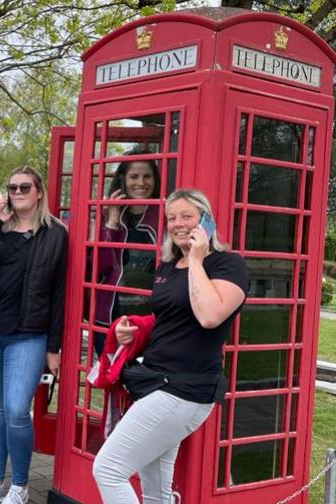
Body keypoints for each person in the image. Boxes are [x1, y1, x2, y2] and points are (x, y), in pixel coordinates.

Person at [91, 189, 248, 504]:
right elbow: (168, 319)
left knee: (107, 469)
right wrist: (133, 330)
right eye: (171, 217)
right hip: (156, 380)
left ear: (205, 220)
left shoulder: (227, 264)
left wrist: (196, 259)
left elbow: (209, 316)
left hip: (183, 389)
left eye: (187, 216)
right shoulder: (167, 265)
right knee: (156, 491)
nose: (178, 223)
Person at [0, 167, 68, 504]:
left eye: (25, 186)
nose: (18, 191)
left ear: (39, 191)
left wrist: (54, 346)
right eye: (12, 187)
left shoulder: (55, 234)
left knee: (16, 409)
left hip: (28, 334)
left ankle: (19, 486)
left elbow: (59, 294)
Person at [94, 155, 160, 358]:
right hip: (109, 315)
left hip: (150, 317)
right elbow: (99, 267)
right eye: (134, 176)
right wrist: (112, 222)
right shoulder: (106, 216)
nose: (141, 183)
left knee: (143, 381)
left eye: (147, 176)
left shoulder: (165, 215)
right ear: (123, 179)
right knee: (111, 379)